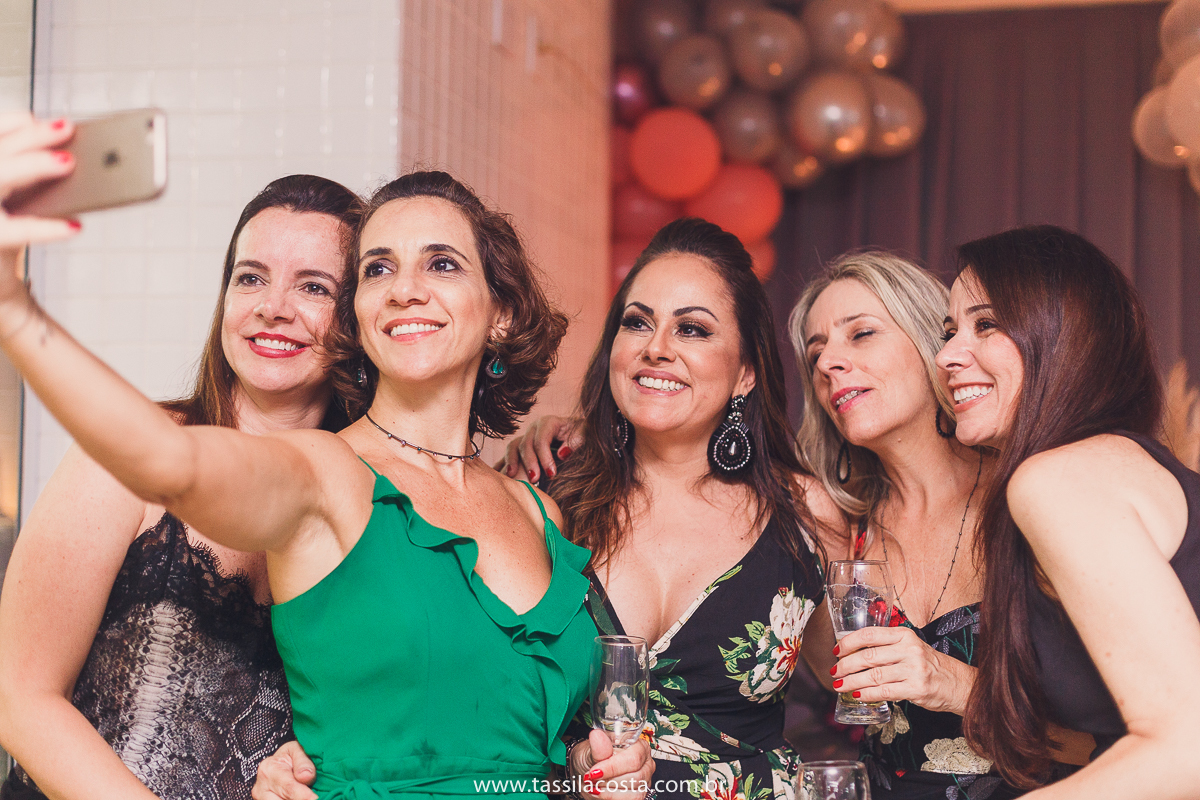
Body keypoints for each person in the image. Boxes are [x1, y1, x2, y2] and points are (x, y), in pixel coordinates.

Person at [0, 114, 651, 800]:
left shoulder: (531, 506)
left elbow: (475, 718)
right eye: (379, 269)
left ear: (502, 312)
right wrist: (14, 306)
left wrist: (586, 765)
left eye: (313, 286)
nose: (274, 308)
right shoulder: (313, 473)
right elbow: (166, 462)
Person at [0, 169, 358, 800]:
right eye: (250, 278)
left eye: (313, 287)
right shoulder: (127, 456)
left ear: (356, 319)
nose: (272, 306)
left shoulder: (371, 502)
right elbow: (20, 696)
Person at [939, 225, 1200, 799]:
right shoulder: (1116, 462)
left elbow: (1190, 749)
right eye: (948, 330)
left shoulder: (1058, 479)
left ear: (1063, 336)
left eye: (986, 324)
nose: (946, 356)